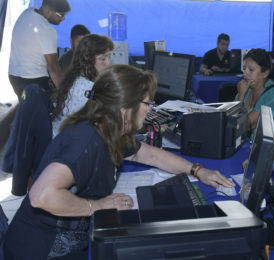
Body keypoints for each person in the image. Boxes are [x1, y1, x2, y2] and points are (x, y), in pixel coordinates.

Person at [3, 65, 235, 259]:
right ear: (125, 109)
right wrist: (97, 206)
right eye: (147, 103)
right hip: (43, 249)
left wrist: (198, 170)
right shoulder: (86, 142)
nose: (150, 109)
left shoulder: (107, 128)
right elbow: (41, 195)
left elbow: (149, 154)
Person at [52, 34, 114, 138]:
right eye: (103, 59)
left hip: (62, 137)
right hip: (66, 143)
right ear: (88, 60)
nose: (109, 64)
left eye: (109, 57)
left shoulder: (75, 76)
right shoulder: (87, 88)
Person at [8, 0, 71, 99]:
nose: (63, 18)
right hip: (33, 80)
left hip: (14, 76)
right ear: (48, 11)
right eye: (61, 15)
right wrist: (65, 93)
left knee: (25, 107)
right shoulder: (47, 30)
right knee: (43, 111)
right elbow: (53, 68)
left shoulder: (28, 12)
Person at [236, 48, 274, 147]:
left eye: (251, 70)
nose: (245, 73)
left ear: (265, 73)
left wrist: (241, 95)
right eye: (244, 68)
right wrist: (242, 95)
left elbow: (243, 125)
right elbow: (232, 121)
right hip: (255, 147)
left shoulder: (273, 94)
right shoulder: (247, 89)